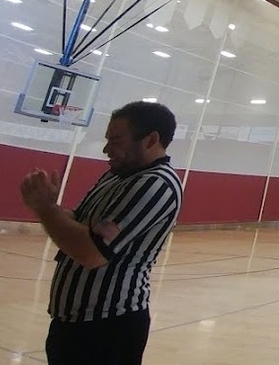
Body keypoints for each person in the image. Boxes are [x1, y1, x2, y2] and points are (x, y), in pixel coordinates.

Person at [21, 101, 182, 365]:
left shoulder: (156, 184)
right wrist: (48, 204)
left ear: (151, 139)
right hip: (71, 322)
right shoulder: (116, 175)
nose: (107, 150)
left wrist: (46, 209)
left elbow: (92, 253)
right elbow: (78, 219)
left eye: (116, 141)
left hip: (109, 327)